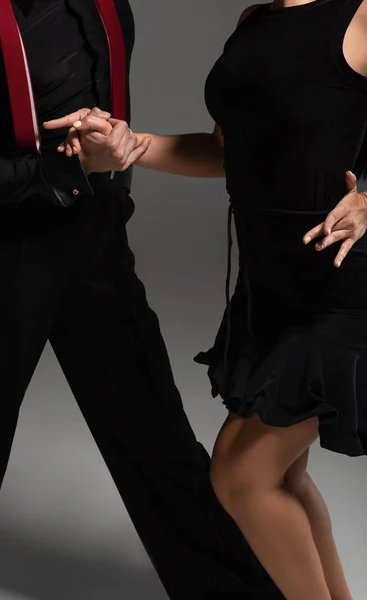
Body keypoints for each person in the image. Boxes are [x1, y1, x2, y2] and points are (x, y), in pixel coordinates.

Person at [0, 0, 288, 598]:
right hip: (7, 254)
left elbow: (117, 136)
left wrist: (111, 170)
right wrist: (50, 175)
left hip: (98, 245)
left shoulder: (113, 9)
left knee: (158, 435)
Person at [48, 0, 367, 598]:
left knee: (242, 475)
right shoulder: (256, 21)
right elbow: (228, 152)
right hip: (272, 286)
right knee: (285, 477)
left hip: (345, 287)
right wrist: (128, 145)